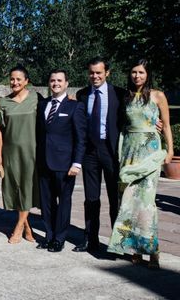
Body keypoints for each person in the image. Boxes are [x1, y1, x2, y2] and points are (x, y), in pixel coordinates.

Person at [107, 60, 174, 268]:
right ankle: (135, 248)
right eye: (134, 72)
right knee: (127, 202)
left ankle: (152, 251)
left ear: (147, 74)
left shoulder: (158, 95)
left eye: (141, 72)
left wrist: (170, 150)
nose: (137, 76)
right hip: (128, 151)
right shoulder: (125, 96)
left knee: (146, 204)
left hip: (150, 152)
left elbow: (167, 124)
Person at [73, 57, 126, 253]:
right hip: (90, 152)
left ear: (107, 73)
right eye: (92, 73)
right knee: (91, 198)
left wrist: (156, 123)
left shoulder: (119, 94)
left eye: (99, 73)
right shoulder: (82, 95)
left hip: (111, 151)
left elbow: (133, 117)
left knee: (115, 199)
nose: (95, 76)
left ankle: (117, 244)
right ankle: (90, 239)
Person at [36, 69, 86, 253]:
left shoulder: (75, 107)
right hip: (43, 162)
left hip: (65, 164)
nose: (55, 83)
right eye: (52, 80)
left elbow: (81, 138)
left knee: (64, 201)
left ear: (66, 83)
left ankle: (60, 238)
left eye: (59, 80)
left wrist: (77, 163)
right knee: (47, 202)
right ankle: (49, 236)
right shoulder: (42, 105)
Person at [0, 65, 41, 244]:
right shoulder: (3, 102)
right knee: (15, 189)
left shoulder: (36, 99)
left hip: (32, 151)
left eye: (18, 79)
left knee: (28, 188)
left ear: (26, 81)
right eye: (12, 79)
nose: (14, 82)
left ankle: (18, 228)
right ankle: (27, 227)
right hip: (10, 152)